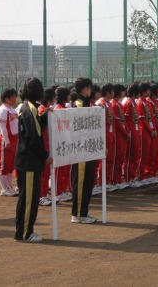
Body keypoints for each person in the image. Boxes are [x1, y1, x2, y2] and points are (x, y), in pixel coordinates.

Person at [14, 77, 52, 242]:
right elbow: (33, 138)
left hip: (28, 160)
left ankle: (25, 231)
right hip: (29, 161)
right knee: (29, 199)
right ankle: (25, 233)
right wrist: (45, 156)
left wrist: (44, 117)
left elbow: (34, 130)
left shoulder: (30, 107)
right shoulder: (30, 108)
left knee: (29, 197)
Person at [70, 78, 97, 224]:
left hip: (89, 148)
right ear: (85, 88)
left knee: (88, 181)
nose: (91, 90)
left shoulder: (87, 103)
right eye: (90, 87)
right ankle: (78, 214)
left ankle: (84, 212)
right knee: (80, 181)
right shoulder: (79, 103)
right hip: (81, 150)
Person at [0, 88, 19, 197]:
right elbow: (3, 126)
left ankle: (9, 187)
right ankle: (4, 189)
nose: (15, 98)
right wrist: (7, 141)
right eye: (13, 96)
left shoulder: (12, 110)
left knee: (10, 166)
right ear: (7, 98)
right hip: (6, 139)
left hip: (14, 139)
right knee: (3, 165)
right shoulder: (3, 110)